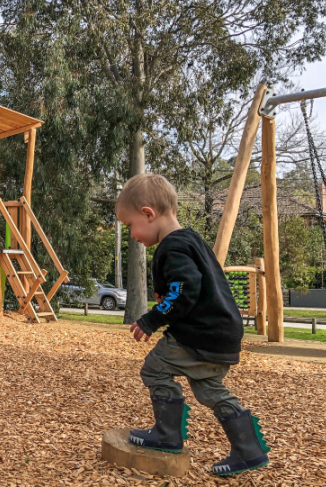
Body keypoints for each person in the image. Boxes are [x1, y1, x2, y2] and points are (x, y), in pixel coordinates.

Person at [115, 173, 270, 476]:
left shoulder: (172, 247)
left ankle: (167, 435)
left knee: (154, 368)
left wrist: (152, 319)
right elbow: (191, 286)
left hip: (200, 334)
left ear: (149, 213)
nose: (132, 234)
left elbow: (184, 289)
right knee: (209, 389)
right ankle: (249, 450)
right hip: (220, 334)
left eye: (130, 225)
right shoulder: (192, 239)